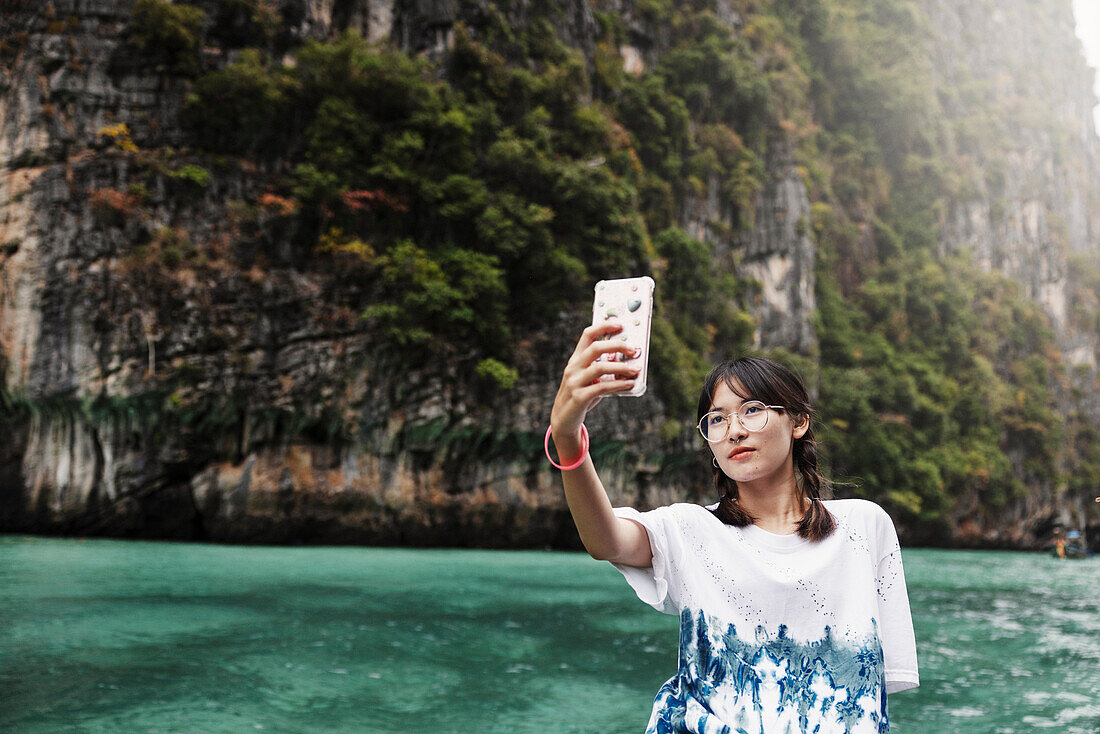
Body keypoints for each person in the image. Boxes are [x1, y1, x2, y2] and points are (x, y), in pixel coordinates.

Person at [548, 320, 919, 733]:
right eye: (717, 419)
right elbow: (606, 540)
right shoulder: (691, 529)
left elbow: (871, 695)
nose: (735, 430)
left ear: (799, 422)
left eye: (753, 411)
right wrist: (567, 436)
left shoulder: (863, 527)